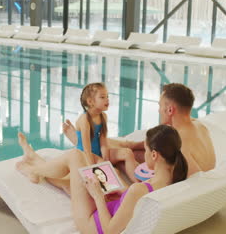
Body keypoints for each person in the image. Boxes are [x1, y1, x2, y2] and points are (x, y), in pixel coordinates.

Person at [16, 124, 188, 233]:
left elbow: (110, 231)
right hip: (111, 205)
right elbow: (136, 201)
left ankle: (36, 169)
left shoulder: (139, 189)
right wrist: (124, 194)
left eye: (145, 150)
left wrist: (98, 195)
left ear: (154, 155)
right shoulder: (175, 179)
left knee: (76, 156)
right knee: (90, 163)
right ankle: (38, 164)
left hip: (93, 223)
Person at [63, 83, 215, 177]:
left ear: (169, 110)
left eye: (160, 106)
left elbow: (195, 179)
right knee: (131, 151)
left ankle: (80, 140)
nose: (158, 110)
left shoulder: (181, 145)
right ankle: (84, 139)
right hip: (187, 160)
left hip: (181, 172)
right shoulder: (197, 125)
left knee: (127, 158)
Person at [73, 82, 139, 182]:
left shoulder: (103, 116)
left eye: (107, 96)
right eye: (102, 97)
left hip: (99, 152)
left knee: (127, 152)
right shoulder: (85, 120)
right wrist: (93, 168)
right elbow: (86, 149)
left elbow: (103, 141)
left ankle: (137, 182)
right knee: (114, 173)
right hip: (86, 156)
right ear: (91, 101)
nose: (107, 99)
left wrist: (106, 159)